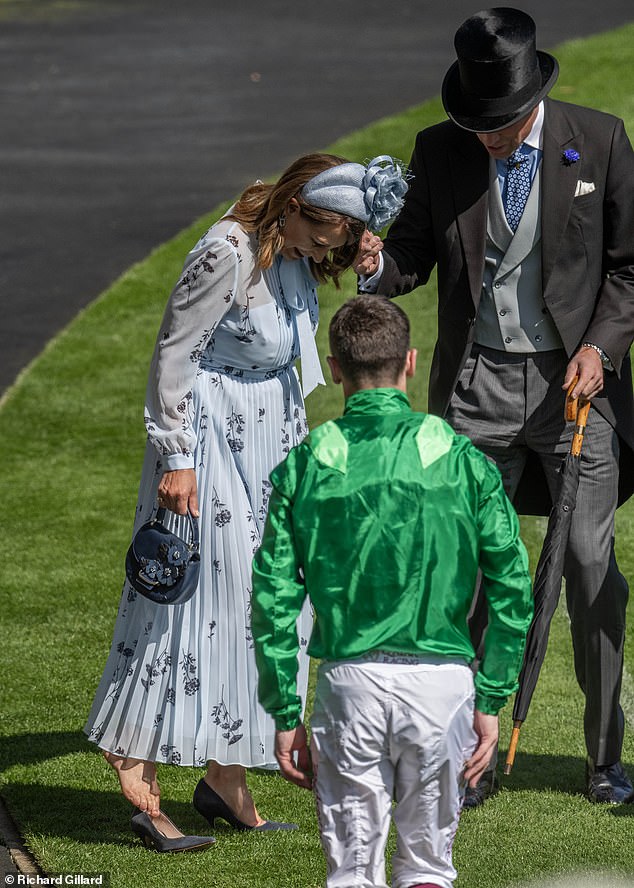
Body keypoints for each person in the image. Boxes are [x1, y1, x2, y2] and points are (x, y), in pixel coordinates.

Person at [84, 153, 409, 850]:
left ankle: (226, 775)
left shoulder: (292, 250)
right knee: (192, 597)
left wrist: (363, 256)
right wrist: (177, 459)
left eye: (332, 244)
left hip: (271, 438)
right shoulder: (225, 252)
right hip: (211, 442)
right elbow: (173, 355)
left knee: (266, 598)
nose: (320, 251)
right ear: (291, 205)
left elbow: (354, 295)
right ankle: (135, 767)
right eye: (318, 238)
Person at [355, 7, 634, 807]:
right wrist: (377, 263)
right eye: (478, 125)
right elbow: (410, 255)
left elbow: (629, 268)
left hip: (573, 388)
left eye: (502, 125)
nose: (490, 139)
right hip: (474, 390)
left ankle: (605, 758)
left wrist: (600, 348)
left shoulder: (601, 139)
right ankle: (465, 757)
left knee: (587, 568)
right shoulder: (439, 151)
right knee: (469, 570)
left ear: (535, 97)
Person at [251, 295, 533, 888]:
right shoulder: (461, 459)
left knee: (352, 874)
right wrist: (491, 697)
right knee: (429, 869)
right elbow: (511, 582)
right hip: (443, 688)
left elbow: (273, 595)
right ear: (410, 361)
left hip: (349, 687)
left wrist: (283, 709)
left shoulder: (306, 464)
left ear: (333, 368)